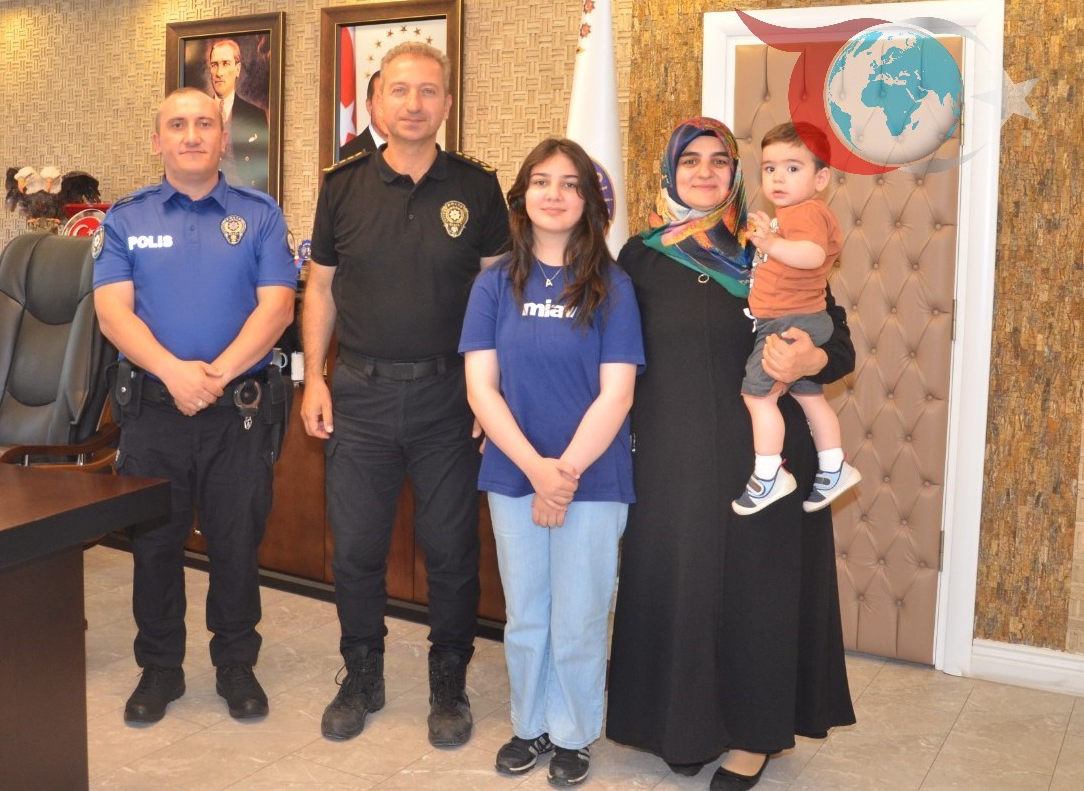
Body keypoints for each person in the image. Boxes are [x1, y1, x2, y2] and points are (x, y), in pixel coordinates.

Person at [605, 117, 856, 791]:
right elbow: (606, 353)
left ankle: (753, 736)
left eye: (720, 160)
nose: (705, 171)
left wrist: (811, 358)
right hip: (672, 456)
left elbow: (839, 344)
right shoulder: (640, 257)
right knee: (680, 586)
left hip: (767, 459)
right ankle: (684, 726)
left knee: (758, 593)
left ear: (737, 174)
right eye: (691, 160)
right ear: (670, 170)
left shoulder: (772, 243)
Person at [301, 41, 509, 747]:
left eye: (427, 91)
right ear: (375, 102)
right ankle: (362, 674)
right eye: (399, 90)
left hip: (450, 397)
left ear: (447, 103)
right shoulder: (342, 185)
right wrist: (314, 377)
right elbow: (321, 288)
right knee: (356, 550)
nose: (413, 104)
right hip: (358, 395)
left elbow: (498, 295)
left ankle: (449, 682)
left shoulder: (478, 188)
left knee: (451, 550)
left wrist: (490, 391)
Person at [93, 87, 297, 724]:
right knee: (155, 545)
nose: (191, 135)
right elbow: (112, 313)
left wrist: (213, 377)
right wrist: (173, 373)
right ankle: (160, 669)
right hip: (154, 411)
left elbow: (277, 308)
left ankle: (236, 664)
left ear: (222, 138)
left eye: (204, 124)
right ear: (157, 141)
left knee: (236, 542)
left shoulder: (260, 215)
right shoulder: (125, 218)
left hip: (238, 412)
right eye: (177, 125)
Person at [459, 138, 643, 787]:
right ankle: (529, 723)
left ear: (589, 200)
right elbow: (481, 388)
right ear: (522, 196)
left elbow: (618, 394)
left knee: (581, 614)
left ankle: (572, 732)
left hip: (594, 478)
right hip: (514, 473)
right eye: (541, 181)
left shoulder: (613, 286)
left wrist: (561, 474)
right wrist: (537, 470)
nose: (554, 194)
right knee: (527, 612)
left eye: (569, 184)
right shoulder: (493, 283)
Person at [735, 122, 861, 515]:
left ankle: (769, 474)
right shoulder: (788, 216)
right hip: (801, 319)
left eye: (792, 168)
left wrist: (771, 242)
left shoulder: (808, 212)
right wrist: (768, 237)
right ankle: (834, 466)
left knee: (758, 397)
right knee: (810, 397)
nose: (778, 177)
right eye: (770, 168)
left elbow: (811, 255)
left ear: (821, 179)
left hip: (790, 322)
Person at [207, 38, 269, 192]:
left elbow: (261, 176)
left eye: (226, 64)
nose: (219, 73)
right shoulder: (196, 115)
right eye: (214, 65)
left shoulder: (255, 116)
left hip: (241, 199)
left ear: (237, 69)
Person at [339, 70, 386, 159]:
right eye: (381, 101)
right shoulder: (345, 157)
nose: (388, 109)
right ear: (369, 106)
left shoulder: (413, 151)